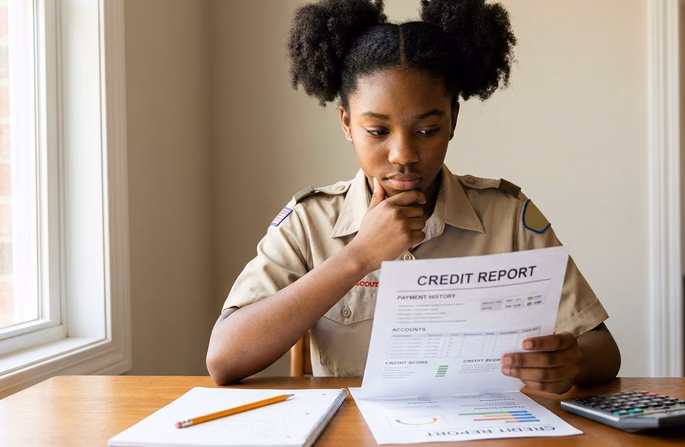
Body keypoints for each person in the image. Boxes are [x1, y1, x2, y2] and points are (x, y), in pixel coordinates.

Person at [206, 0, 621, 394]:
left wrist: (570, 361)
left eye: (426, 130)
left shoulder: (508, 216)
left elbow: (605, 352)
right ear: (347, 124)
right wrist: (359, 256)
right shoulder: (308, 221)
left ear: (453, 120)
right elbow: (224, 359)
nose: (403, 155)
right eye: (378, 131)